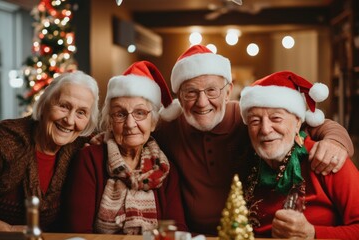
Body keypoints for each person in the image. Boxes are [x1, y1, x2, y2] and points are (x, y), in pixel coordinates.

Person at [151, 44, 355, 235]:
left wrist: (335, 142)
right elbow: (136, 131)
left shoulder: (247, 117)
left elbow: (316, 124)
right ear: (178, 96)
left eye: (212, 90)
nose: (202, 102)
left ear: (228, 91)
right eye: (190, 93)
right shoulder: (168, 128)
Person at [64, 61, 186, 234]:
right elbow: (79, 232)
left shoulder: (165, 169)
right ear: (110, 122)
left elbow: (176, 230)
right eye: (120, 114)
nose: (130, 124)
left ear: (153, 122)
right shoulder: (89, 160)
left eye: (140, 113)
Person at [239, 70, 359, 239]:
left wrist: (314, 234)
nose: (265, 129)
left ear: (297, 122)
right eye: (255, 121)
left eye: (276, 118)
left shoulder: (326, 158)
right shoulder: (246, 163)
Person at [0, 71, 100, 232]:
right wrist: (9, 229)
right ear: (44, 103)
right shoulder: (5, 139)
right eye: (63, 106)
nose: (69, 120)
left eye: (81, 112)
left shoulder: (80, 146)